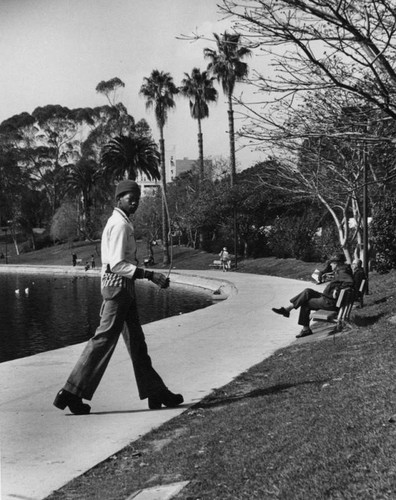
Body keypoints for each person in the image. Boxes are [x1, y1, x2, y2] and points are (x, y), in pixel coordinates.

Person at [53, 179, 183, 415]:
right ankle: (71, 392)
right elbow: (115, 265)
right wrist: (150, 275)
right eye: (129, 197)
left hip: (124, 289)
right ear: (118, 199)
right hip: (117, 289)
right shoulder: (120, 225)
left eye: (137, 198)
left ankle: (155, 391)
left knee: (137, 344)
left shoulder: (122, 222)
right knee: (103, 340)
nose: (134, 201)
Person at [272, 253, 354, 338]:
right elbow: (341, 280)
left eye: (332, 263)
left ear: (337, 263)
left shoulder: (342, 272)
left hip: (329, 302)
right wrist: (324, 275)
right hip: (328, 298)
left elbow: (350, 282)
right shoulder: (342, 270)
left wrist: (338, 289)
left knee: (305, 303)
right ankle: (288, 309)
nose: (330, 265)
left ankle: (305, 329)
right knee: (308, 291)